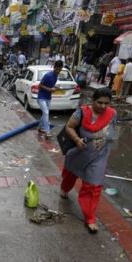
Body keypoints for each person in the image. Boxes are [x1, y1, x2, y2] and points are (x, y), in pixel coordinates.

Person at [60, 87, 117, 234]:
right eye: (100, 102)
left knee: (93, 186)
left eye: (107, 103)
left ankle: (90, 218)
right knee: (70, 174)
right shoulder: (82, 112)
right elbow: (69, 127)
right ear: (93, 100)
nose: (103, 106)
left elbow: (112, 133)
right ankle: (65, 189)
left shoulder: (112, 114)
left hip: (99, 156)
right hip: (81, 152)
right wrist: (77, 140)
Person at [37, 60, 63, 138]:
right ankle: (47, 132)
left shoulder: (56, 76)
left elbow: (51, 86)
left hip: (48, 98)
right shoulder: (48, 75)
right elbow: (40, 85)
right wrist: (50, 90)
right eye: (57, 69)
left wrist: (56, 88)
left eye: (60, 69)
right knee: (46, 112)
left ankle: (40, 127)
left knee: (45, 113)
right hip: (41, 97)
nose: (58, 71)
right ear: (54, 67)